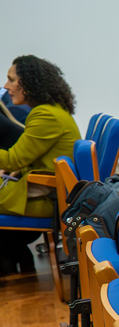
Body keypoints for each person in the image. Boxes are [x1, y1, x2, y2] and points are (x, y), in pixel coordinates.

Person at [0, 55, 80, 274]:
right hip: (52, 194)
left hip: (51, 201)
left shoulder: (44, 114)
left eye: (11, 80)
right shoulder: (53, 110)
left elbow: (14, 159)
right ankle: (17, 258)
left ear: (30, 82)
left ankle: (14, 258)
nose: (6, 87)